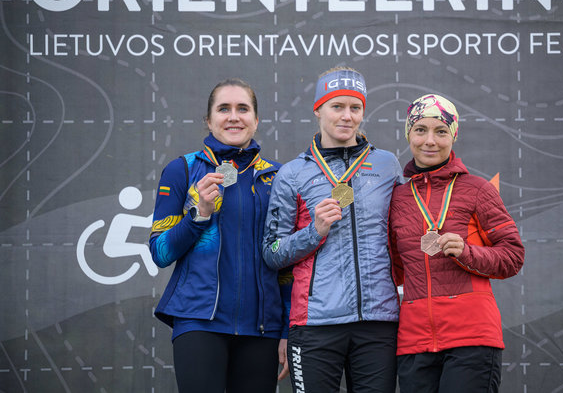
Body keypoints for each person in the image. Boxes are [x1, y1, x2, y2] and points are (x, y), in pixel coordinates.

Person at [262, 66, 403, 392]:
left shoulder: (386, 165)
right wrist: (316, 230)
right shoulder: (293, 173)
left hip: (378, 322)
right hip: (315, 324)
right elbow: (271, 253)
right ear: (318, 110)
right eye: (337, 106)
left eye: (355, 108)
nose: (347, 116)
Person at [149, 78, 291, 393]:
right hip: (199, 322)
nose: (233, 116)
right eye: (223, 109)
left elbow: (286, 265)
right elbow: (160, 252)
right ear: (209, 120)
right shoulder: (182, 169)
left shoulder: (279, 177)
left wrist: (286, 328)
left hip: (262, 328)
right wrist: (199, 213)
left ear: (256, 120)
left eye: (243, 109)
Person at [388, 94, 525, 393]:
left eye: (441, 131)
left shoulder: (477, 189)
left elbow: (513, 257)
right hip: (415, 341)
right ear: (408, 134)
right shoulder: (396, 197)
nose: (430, 141)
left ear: (454, 135)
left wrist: (467, 252)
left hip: (471, 337)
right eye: (420, 130)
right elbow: (395, 270)